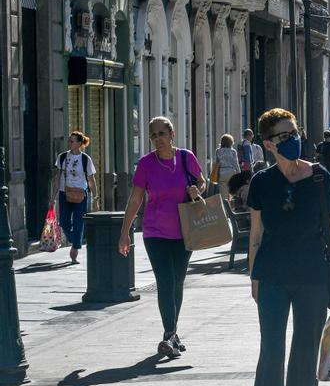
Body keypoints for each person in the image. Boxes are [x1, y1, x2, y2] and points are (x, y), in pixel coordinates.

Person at [247, 108, 330, 386]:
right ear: (268, 144)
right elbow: (256, 233)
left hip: (313, 276)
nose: (294, 139)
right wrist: (253, 276)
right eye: (284, 136)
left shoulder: (320, 177)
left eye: (295, 132)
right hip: (273, 277)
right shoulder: (261, 182)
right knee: (272, 350)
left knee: (306, 350)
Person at [118, 116, 206, 358]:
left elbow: (202, 181)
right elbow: (136, 199)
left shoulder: (186, 157)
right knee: (165, 282)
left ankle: (172, 333)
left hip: (185, 231)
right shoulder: (146, 164)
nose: (158, 139)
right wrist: (125, 232)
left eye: (161, 134)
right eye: (153, 135)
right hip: (155, 232)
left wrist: (197, 189)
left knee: (177, 282)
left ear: (172, 134)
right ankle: (169, 334)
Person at [50, 131, 98, 264]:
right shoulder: (62, 157)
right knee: (64, 222)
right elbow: (57, 178)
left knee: (78, 223)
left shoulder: (85, 159)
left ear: (79, 144)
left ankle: (75, 251)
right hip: (64, 193)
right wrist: (52, 197)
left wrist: (96, 197)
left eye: (72, 141)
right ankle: (76, 240)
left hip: (81, 195)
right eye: (69, 141)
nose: (69, 143)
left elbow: (91, 180)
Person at [213, 134, 241, 200]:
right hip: (231, 172)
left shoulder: (218, 151)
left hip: (221, 172)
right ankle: (230, 206)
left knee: (223, 194)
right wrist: (239, 174)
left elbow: (214, 163)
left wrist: (214, 172)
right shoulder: (233, 151)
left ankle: (225, 207)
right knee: (231, 191)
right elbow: (236, 164)